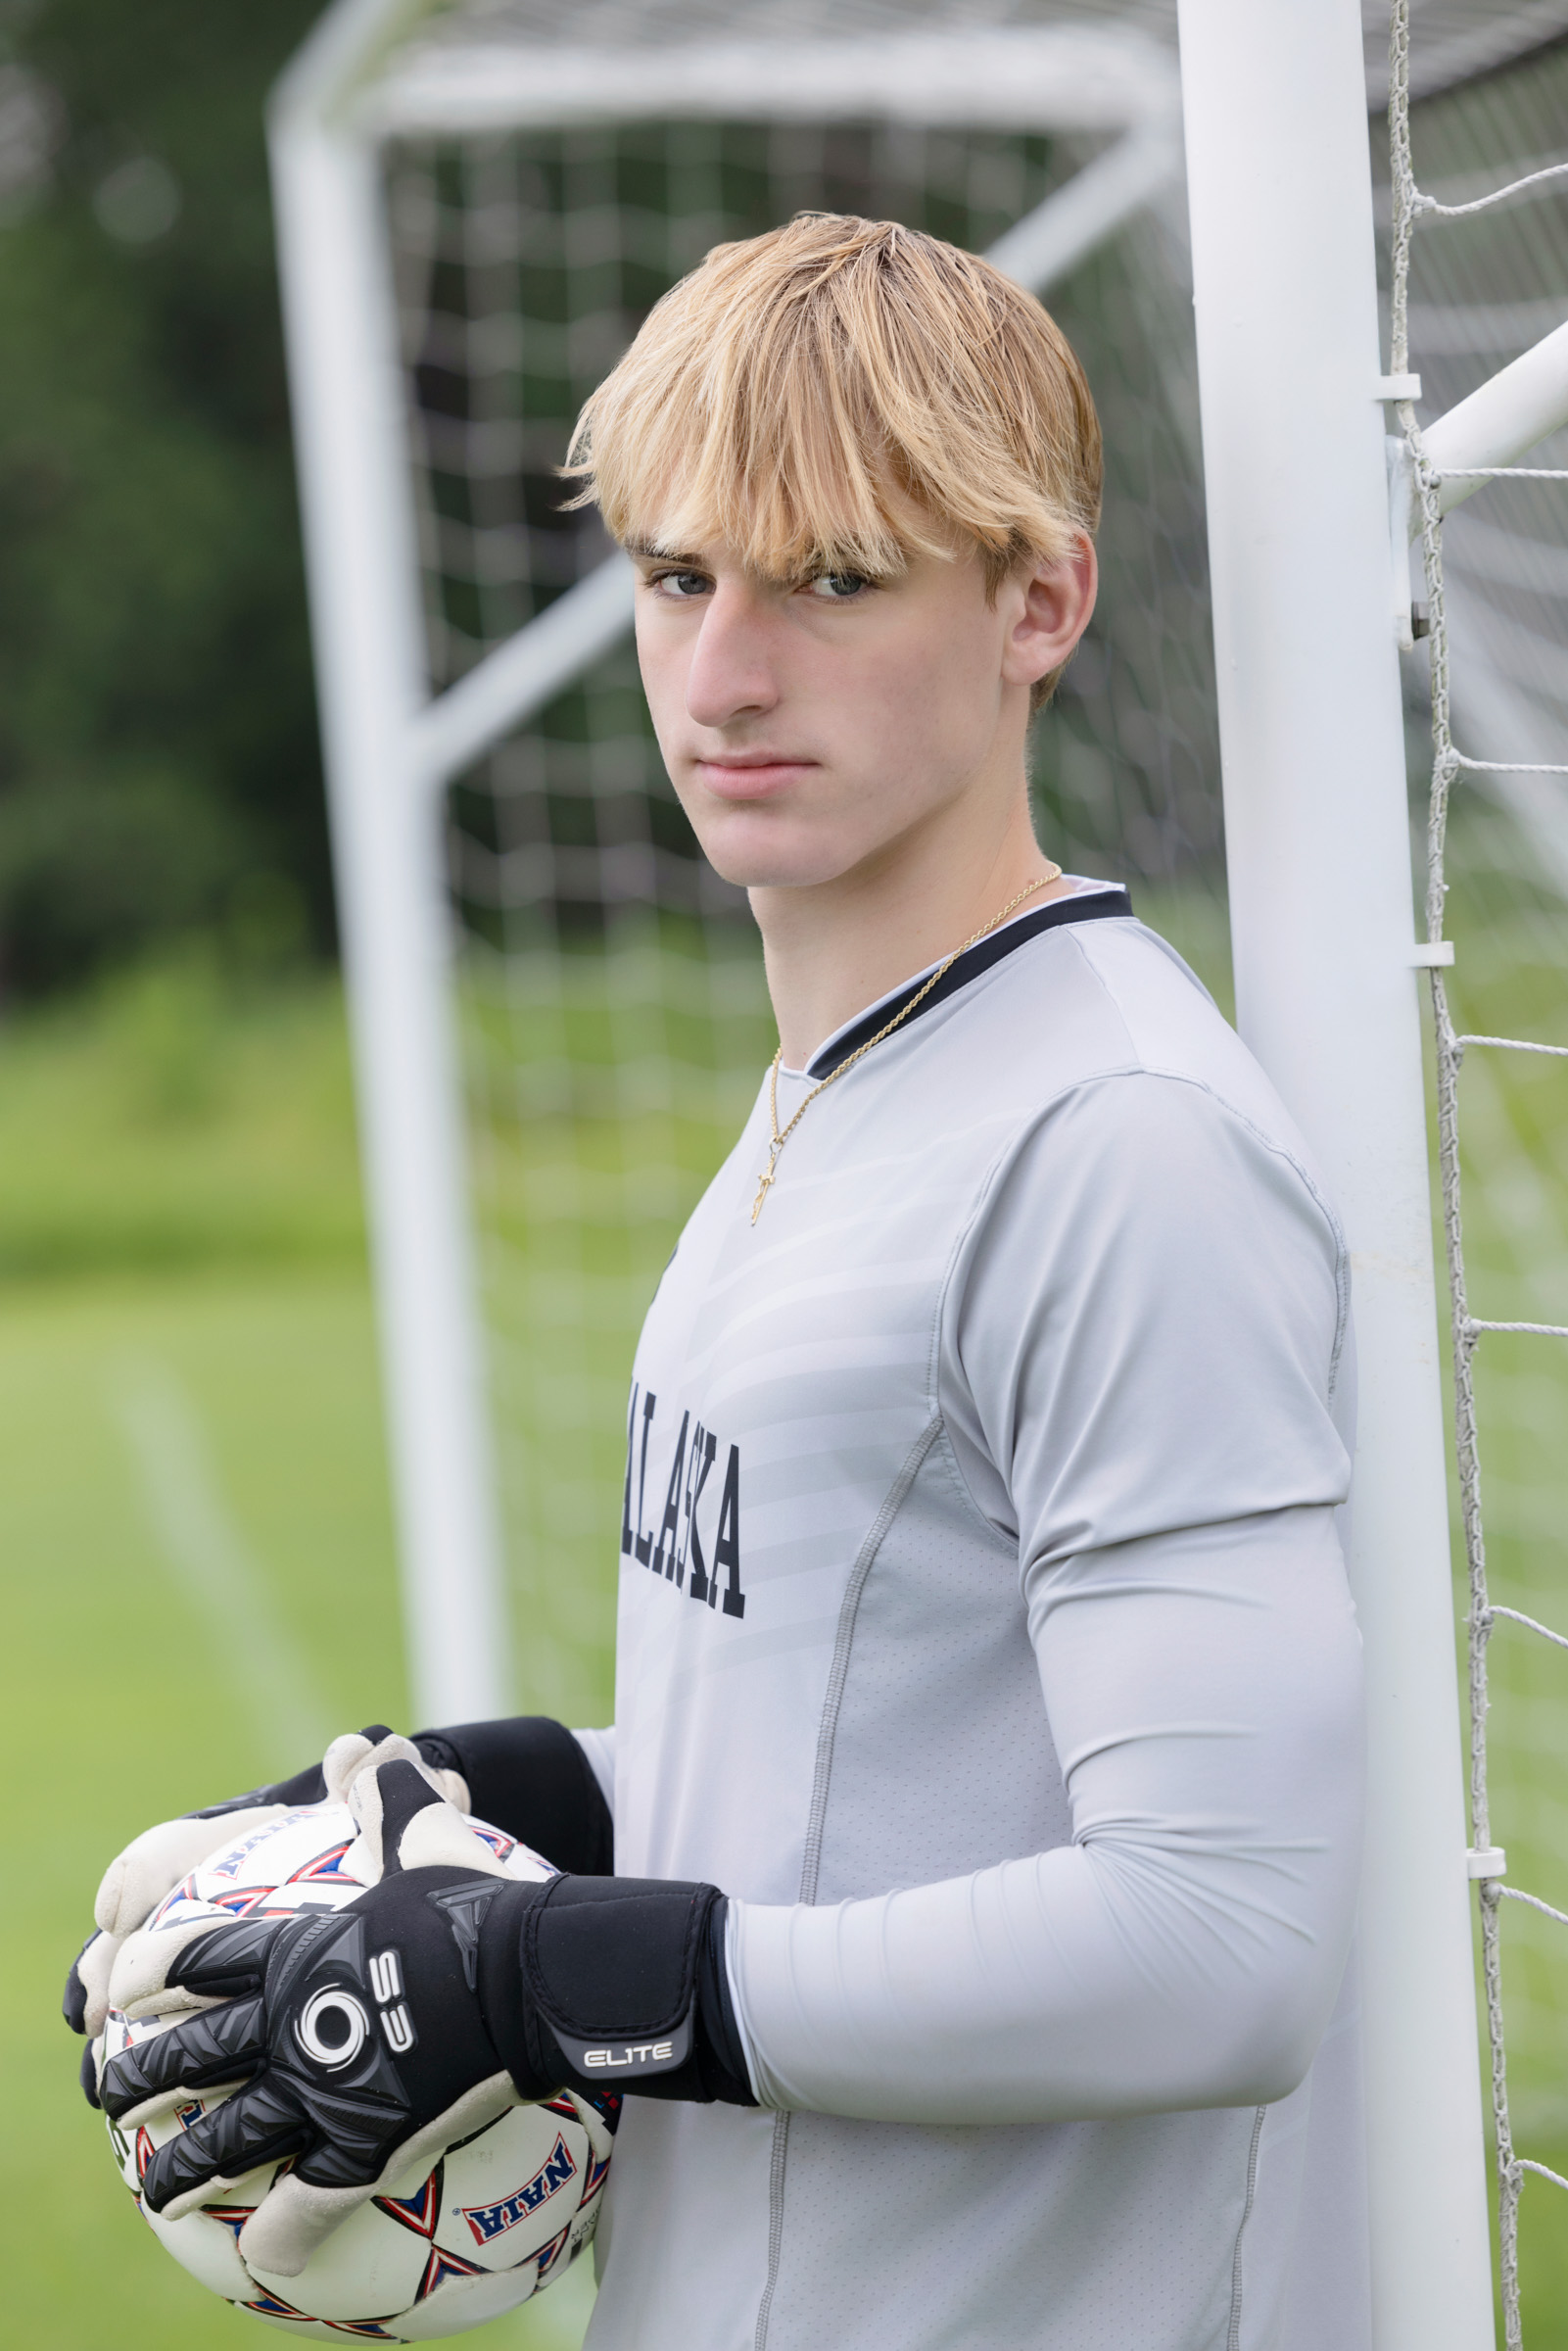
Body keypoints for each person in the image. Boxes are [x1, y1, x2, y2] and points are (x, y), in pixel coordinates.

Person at [68, 216, 1366, 2351]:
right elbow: (870, 1757)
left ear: (1039, 597)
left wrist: (557, 1976)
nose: (724, 673)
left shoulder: (1116, 1144)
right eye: (679, 579)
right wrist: (511, 1800)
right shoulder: (843, 1094)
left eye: (833, 580)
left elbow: (1221, 1935)